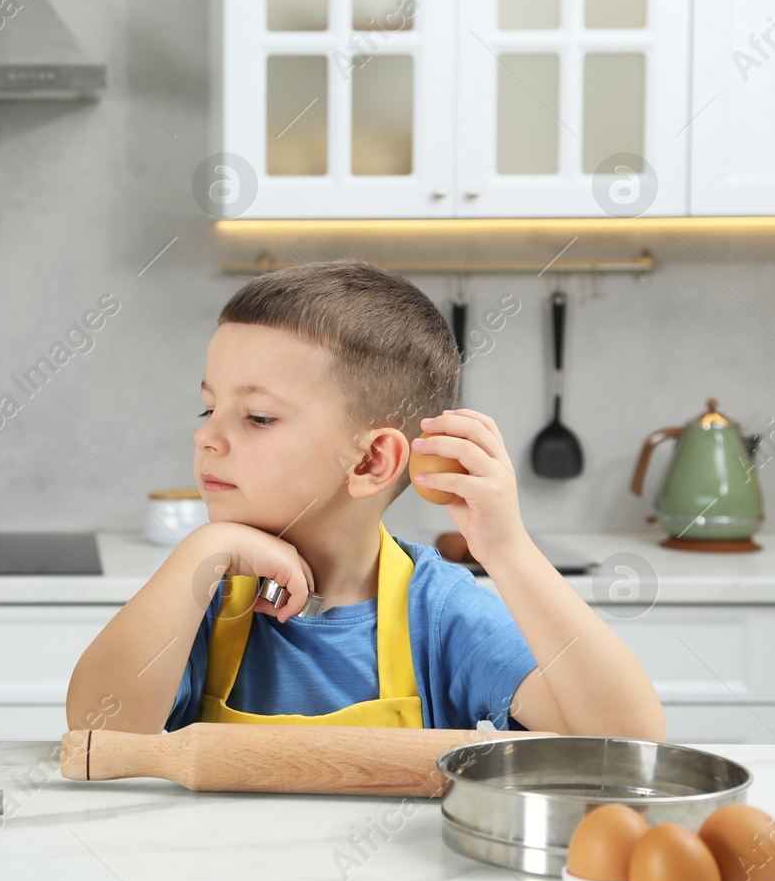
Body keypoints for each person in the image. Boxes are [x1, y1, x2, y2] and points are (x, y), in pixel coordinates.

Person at [66, 259, 664, 739]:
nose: (205, 435)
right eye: (208, 407)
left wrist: (508, 550)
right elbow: (97, 730)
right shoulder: (203, 593)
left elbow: (627, 742)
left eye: (257, 416)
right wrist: (209, 544)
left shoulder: (438, 612)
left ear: (372, 461)